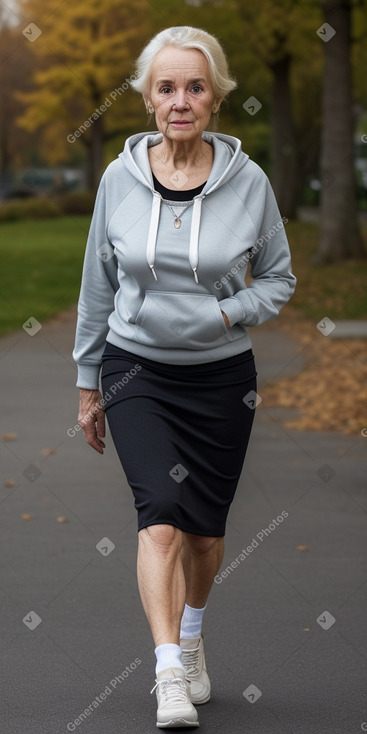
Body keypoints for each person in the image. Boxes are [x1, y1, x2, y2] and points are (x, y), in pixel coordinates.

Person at [72, 25, 296, 729]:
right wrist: (87, 383)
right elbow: (96, 285)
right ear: (146, 97)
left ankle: (192, 639)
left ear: (215, 96)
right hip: (133, 368)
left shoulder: (247, 181)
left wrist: (226, 315)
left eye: (194, 87)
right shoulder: (118, 178)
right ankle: (168, 672)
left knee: (202, 532)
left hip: (220, 379)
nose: (179, 100)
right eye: (165, 87)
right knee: (160, 524)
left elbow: (279, 280)